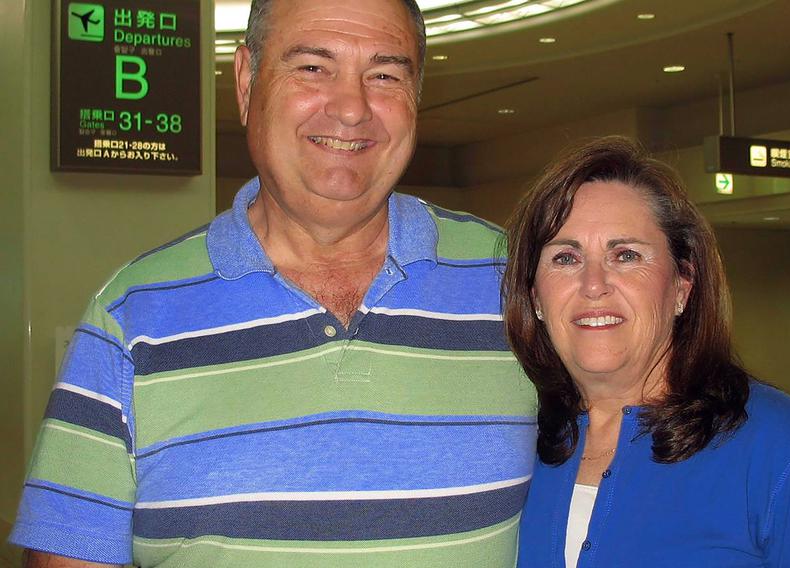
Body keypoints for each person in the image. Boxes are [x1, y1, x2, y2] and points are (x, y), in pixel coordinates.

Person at [10, 0, 537, 566]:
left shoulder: (519, 284)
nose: (352, 108)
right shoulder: (130, 316)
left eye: (384, 74)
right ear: (245, 82)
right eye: (313, 67)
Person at [501, 136, 790, 567]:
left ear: (682, 285)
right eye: (566, 258)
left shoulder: (779, 447)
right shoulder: (512, 443)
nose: (594, 285)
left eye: (625, 255)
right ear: (534, 296)